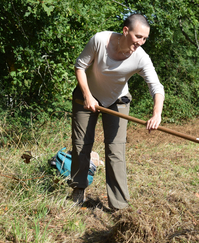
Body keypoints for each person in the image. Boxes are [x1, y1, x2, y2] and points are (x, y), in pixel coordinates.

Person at [70, 14, 165, 210]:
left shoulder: (141, 58)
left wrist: (157, 114)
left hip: (117, 101)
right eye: (138, 36)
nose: (141, 42)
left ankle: (119, 205)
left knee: (115, 150)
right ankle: (78, 190)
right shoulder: (100, 40)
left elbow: (156, 87)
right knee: (81, 144)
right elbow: (80, 67)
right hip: (86, 96)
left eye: (145, 38)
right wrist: (88, 96)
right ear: (125, 31)